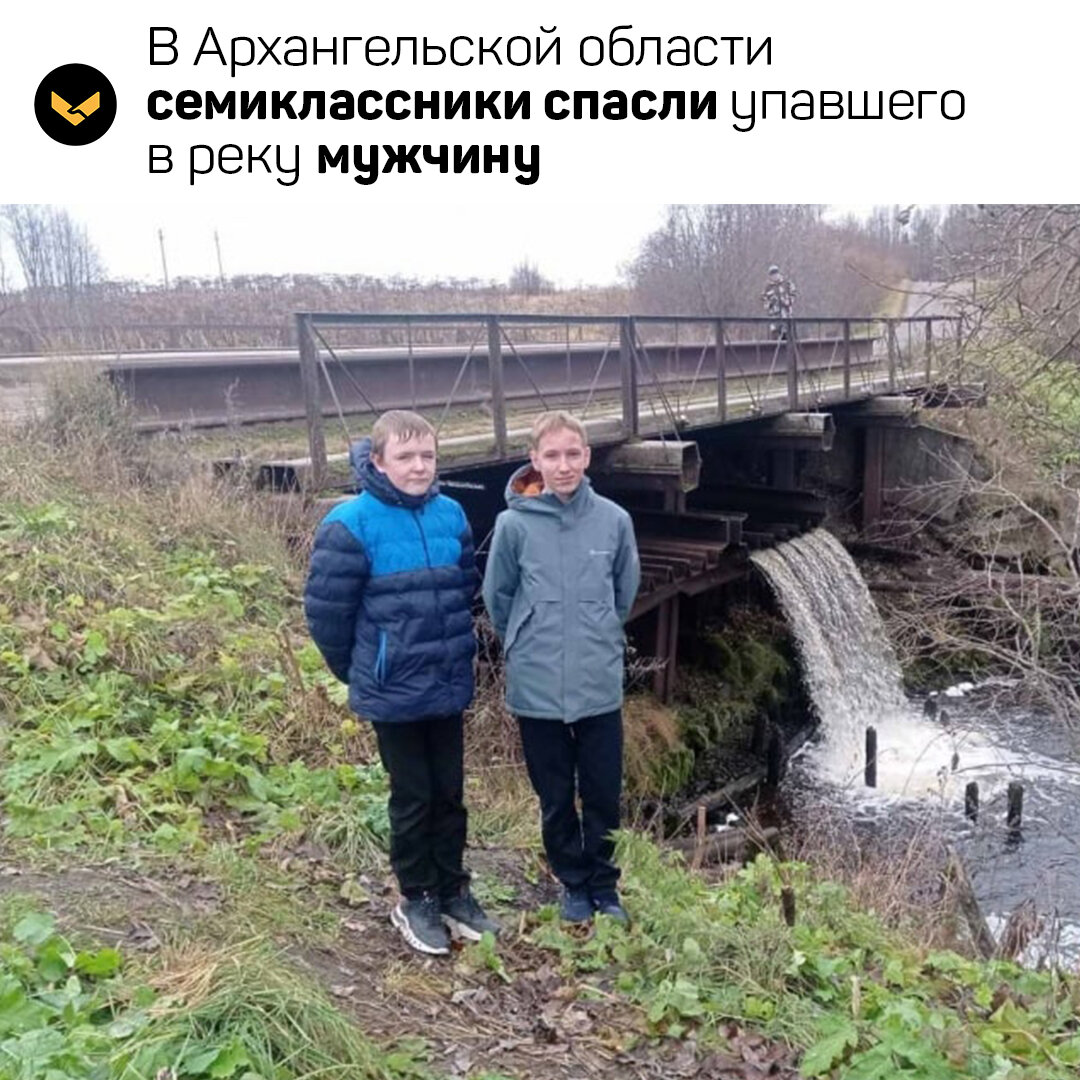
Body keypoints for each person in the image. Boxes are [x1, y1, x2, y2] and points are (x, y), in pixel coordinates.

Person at [304, 409, 498, 956]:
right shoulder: (351, 524)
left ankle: (454, 889)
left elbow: (466, 589)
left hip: (446, 681)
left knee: (450, 794)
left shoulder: (451, 514)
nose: (418, 466)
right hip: (395, 691)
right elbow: (327, 616)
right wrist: (366, 669)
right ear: (379, 461)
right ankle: (416, 897)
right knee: (412, 797)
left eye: (427, 456)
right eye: (406, 457)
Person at [482, 411, 640, 924]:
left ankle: (604, 884)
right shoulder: (513, 525)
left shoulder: (613, 521)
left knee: (602, 792)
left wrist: (599, 633)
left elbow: (624, 591)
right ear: (535, 460)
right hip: (538, 681)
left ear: (587, 457)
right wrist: (527, 640)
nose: (564, 465)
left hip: (597, 680)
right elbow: (498, 597)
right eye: (552, 455)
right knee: (554, 794)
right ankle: (572, 882)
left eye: (573, 454)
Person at [762, 264, 797, 339]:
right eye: (772, 274)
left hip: (786, 315)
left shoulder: (787, 283)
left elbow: (794, 294)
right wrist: (771, 302)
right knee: (775, 337)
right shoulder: (767, 287)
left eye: (775, 274)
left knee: (789, 336)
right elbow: (764, 302)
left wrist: (788, 301)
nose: (774, 276)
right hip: (774, 317)